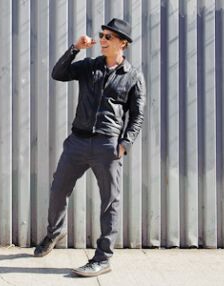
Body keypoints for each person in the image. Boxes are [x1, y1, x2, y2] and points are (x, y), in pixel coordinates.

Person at [33, 18, 146, 277]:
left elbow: (137, 114)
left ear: (123, 43)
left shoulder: (133, 76)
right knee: (58, 187)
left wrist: (125, 143)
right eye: (102, 35)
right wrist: (75, 49)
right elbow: (58, 73)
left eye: (109, 37)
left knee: (110, 201)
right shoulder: (89, 66)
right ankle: (55, 233)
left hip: (108, 144)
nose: (103, 40)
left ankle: (103, 258)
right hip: (78, 141)